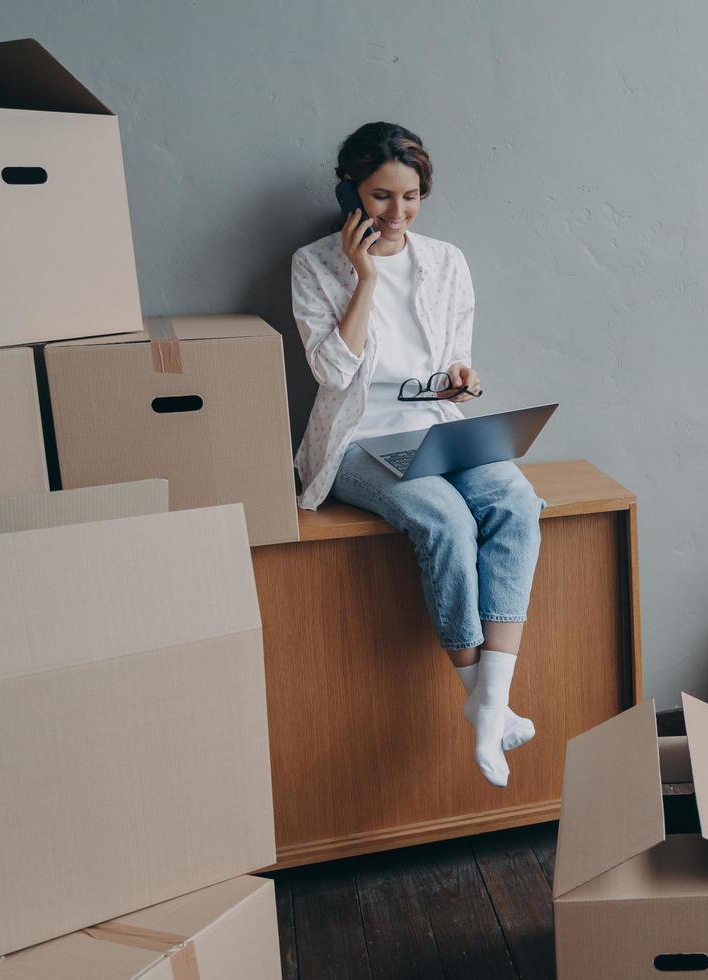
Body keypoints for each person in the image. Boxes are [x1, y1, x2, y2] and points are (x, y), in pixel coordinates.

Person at [291, 121, 542, 788]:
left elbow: (448, 361)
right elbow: (333, 373)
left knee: (516, 497)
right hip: (357, 438)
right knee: (446, 520)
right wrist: (364, 276)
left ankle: (490, 702)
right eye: (379, 197)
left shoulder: (447, 261)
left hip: (432, 423)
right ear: (350, 191)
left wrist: (462, 380)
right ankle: (480, 700)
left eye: (410, 198)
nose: (395, 214)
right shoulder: (314, 265)